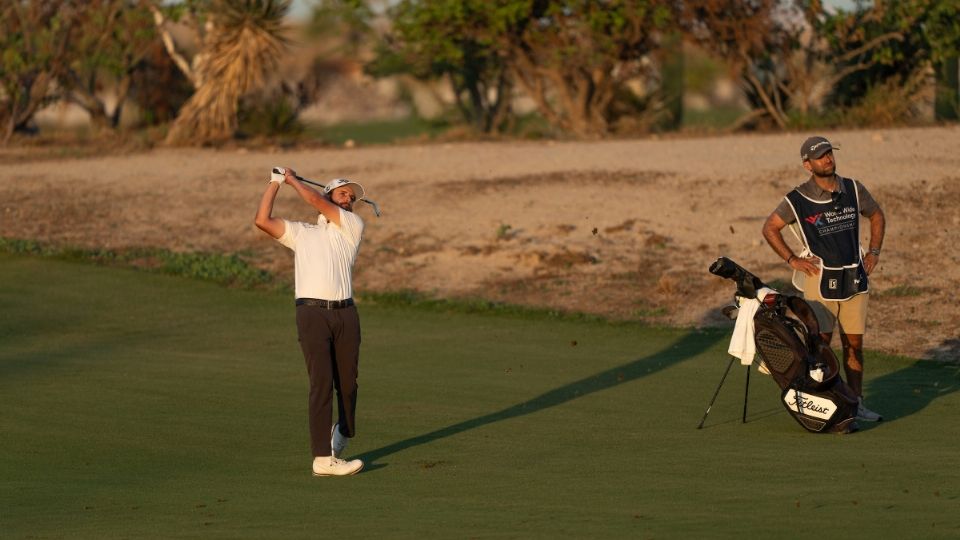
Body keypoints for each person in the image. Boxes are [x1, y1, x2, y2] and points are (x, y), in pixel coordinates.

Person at [761, 136, 886, 422]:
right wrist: (792, 260)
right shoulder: (797, 198)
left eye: (829, 153)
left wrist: (875, 252)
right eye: (820, 156)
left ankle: (856, 404)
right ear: (808, 165)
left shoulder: (853, 188)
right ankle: (817, 403)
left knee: (854, 345)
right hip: (820, 280)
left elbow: (876, 215)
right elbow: (770, 228)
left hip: (855, 278)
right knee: (820, 346)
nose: (827, 159)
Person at [255, 167, 367, 476]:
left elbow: (317, 202)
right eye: (343, 193)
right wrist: (275, 183)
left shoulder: (353, 225)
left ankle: (343, 431)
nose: (349, 199)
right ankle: (322, 458)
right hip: (311, 314)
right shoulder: (302, 233)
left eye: (352, 197)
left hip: (346, 313)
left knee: (348, 383)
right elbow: (262, 220)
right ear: (332, 194)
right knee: (321, 383)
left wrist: (294, 180)